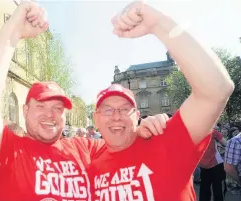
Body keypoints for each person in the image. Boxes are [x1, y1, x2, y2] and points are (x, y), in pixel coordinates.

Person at [0, 2, 167, 200]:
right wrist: (14, 32)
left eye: (57, 108)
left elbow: (123, 143)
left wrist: (141, 130)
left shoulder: (85, 149)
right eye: (41, 106)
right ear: (25, 110)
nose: (50, 114)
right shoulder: (8, 151)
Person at [88, 1, 234, 201]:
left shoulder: (164, 142)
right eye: (107, 110)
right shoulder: (86, 162)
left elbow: (216, 89)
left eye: (124, 109)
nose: (116, 116)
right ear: (95, 119)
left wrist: (159, 23)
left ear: (137, 116)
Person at [198, 128, 227, 201]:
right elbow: (225, 143)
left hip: (203, 165)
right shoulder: (212, 131)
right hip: (216, 164)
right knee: (218, 189)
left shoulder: (193, 134)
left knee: (204, 189)